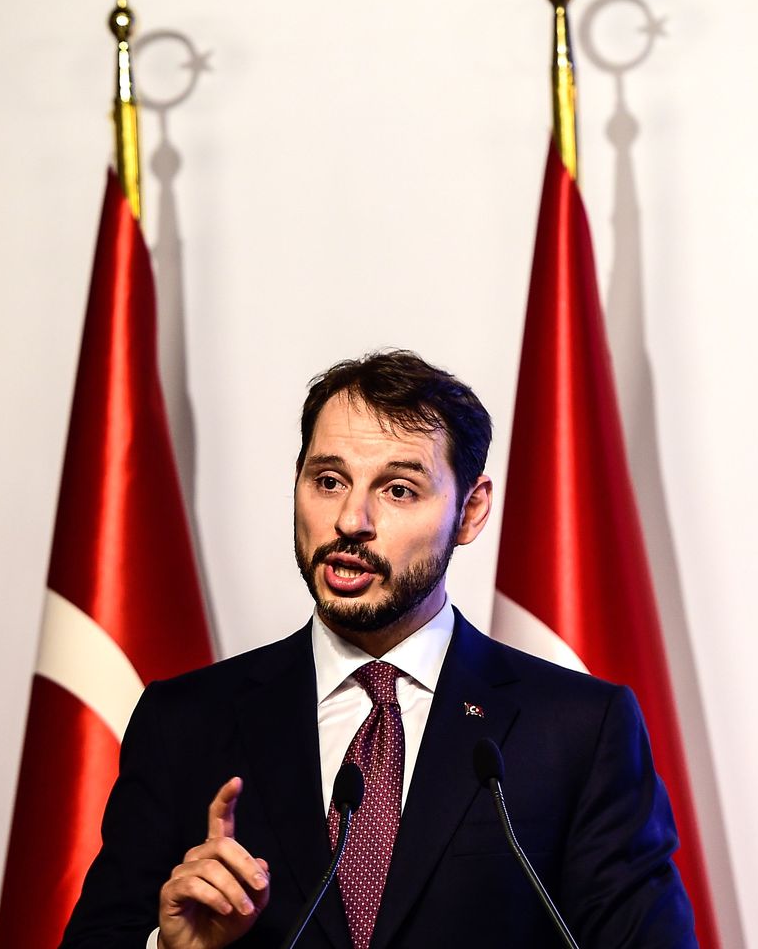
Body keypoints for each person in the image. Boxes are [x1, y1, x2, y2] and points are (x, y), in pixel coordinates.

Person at [58, 350, 698, 949]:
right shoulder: (186, 722)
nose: (350, 521)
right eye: (329, 480)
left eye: (398, 490)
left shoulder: (578, 731)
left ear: (470, 512)